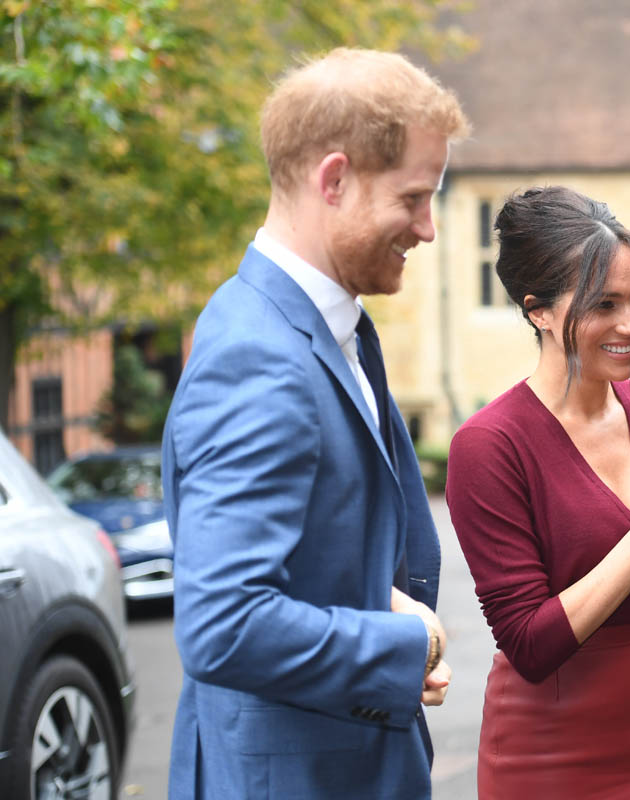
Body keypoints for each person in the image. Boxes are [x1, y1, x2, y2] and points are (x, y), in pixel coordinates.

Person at [162, 48, 468, 799]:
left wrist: (375, 595)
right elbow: (224, 624)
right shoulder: (257, 358)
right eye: (413, 198)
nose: (427, 228)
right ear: (334, 179)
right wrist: (405, 641)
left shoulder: (328, 326)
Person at [445, 186, 630, 799]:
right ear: (538, 311)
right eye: (604, 304)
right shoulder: (490, 444)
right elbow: (529, 641)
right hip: (549, 748)